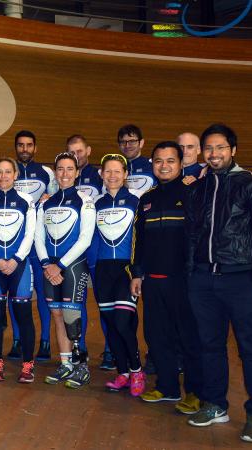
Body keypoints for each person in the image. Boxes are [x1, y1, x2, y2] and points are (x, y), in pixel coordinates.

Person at [185, 124, 252, 443]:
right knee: (209, 345)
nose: (214, 154)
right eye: (209, 148)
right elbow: (192, 235)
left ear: (233, 150)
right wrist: (191, 274)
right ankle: (215, 404)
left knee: (251, 350)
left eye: (220, 147)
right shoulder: (198, 188)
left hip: (241, 280)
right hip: (203, 279)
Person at [130, 141, 202, 414]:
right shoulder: (146, 199)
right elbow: (139, 240)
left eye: (170, 160)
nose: (164, 165)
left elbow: (198, 238)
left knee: (188, 337)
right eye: (159, 161)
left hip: (184, 281)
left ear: (181, 163)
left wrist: (195, 274)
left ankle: (195, 392)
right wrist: (137, 273)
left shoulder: (192, 193)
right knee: (157, 336)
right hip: (153, 281)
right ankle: (168, 387)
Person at [36, 152, 95, 389]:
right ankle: (66, 364)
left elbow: (85, 239)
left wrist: (58, 265)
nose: (65, 174)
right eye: (60, 169)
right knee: (57, 315)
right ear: (55, 172)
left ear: (77, 172)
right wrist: (46, 264)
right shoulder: (46, 203)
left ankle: (82, 366)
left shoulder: (85, 201)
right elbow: (38, 237)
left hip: (72, 267)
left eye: (70, 169)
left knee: (72, 316)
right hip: (49, 267)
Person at [0, 158, 36, 383]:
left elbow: (30, 234)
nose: (3, 176)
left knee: (23, 317)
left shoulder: (26, 201)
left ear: (16, 174)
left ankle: (28, 364)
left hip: (19, 266)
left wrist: (15, 259)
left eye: (8, 172)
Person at [90, 154, 146, 396]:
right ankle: (122, 373)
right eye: (107, 171)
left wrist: (138, 272)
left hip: (126, 269)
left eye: (117, 171)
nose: (112, 176)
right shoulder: (96, 204)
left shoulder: (137, 202)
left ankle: (136, 370)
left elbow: (142, 240)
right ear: (101, 175)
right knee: (111, 325)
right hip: (103, 270)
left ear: (125, 175)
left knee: (124, 323)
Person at [67, 134, 112, 371]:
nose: (76, 156)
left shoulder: (100, 176)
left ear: (88, 150)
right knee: (77, 302)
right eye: (71, 152)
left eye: (79, 151)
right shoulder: (62, 178)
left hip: (95, 247)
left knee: (104, 300)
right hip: (73, 250)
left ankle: (109, 349)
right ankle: (79, 347)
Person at [12, 130, 57, 362]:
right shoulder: (9, 171)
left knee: (42, 295)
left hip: (39, 247)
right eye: (21, 145)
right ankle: (17, 340)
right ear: (16, 148)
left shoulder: (47, 173)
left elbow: (58, 200)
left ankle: (46, 341)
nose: (25, 149)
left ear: (35, 148)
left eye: (29, 145)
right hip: (16, 246)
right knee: (16, 295)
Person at [117, 124, 157, 192]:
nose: (127, 146)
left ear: (141, 143)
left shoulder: (153, 165)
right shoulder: (115, 169)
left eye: (132, 141)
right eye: (123, 142)